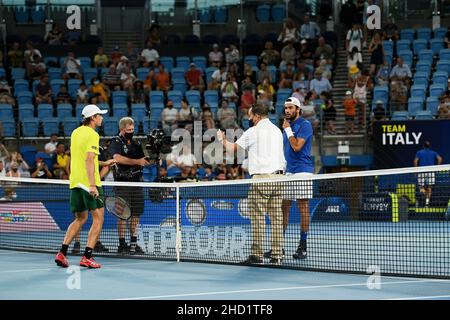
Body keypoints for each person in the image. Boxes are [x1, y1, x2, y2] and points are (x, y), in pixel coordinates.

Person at [217, 104, 286, 265]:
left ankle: (257, 255)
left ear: (257, 116)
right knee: (277, 219)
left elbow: (232, 149)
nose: (249, 119)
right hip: (279, 179)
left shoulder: (253, 132)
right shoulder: (277, 130)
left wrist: (222, 139)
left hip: (262, 179)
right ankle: (277, 256)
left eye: (250, 116)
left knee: (258, 218)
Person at [54, 104, 115, 269]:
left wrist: (104, 162)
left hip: (75, 183)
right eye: (99, 115)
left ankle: (62, 252)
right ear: (93, 118)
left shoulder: (75, 132)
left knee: (80, 218)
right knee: (98, 219)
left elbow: (82, 158)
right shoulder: (93, 134)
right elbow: (88, 160)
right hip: (90, 184)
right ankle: (87, 256)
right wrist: (93, 185)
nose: (102, 118)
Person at [272, 97, 314, 260]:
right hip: (288, 171)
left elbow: (297, 147)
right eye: (286, 108)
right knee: (284, 207)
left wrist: (288, 130)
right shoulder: (285, 128)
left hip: (303, 171)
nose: (287, 111)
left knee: (303, 206)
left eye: (290, 108)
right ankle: (279, 246)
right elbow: (285, 150)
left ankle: (303, 245)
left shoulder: (305, 125)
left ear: (298, 109)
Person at [109, 117, 151, 254]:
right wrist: (137, 161)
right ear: (122, 129)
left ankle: (133, 244)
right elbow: (117, 158)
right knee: (122, 215)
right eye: (128, 130)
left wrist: (151, 158)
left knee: (136, 215)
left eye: (132, 130)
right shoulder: (115, 142)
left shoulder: (136, 143)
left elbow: (142, 160)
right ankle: (122, 245)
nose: (131, 132)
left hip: (137, 182)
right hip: (122, 183)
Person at [414, 141, 443, 207]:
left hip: (422, 171)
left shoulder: (419, 152)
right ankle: (427, 202)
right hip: (431, 171)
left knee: (421, 187)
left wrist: (415, 170)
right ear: (430, 146)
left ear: (423, 146)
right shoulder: (433, 152)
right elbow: (440, 159)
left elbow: (415, 161)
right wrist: (437, 167)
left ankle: (426, 199)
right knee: (429, 188)